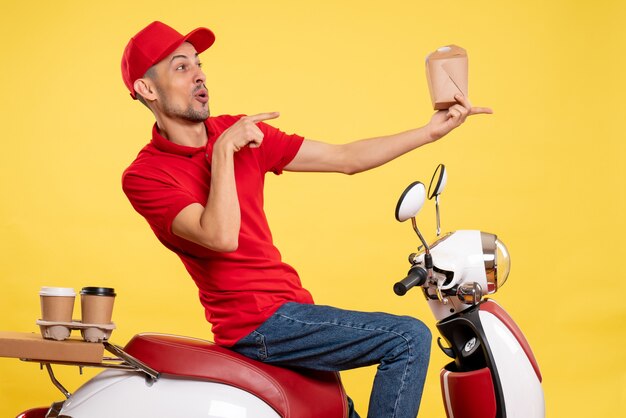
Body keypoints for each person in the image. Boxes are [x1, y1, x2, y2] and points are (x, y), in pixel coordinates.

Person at [120, 21, 492, 418]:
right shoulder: (147, 176)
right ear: (146, 89)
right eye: (181, 67)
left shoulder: (238, 131)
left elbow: (345, 158)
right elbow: (220, 236)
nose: (200, 74)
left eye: (199, 63)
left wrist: (430, 133)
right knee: (408, 338)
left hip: (293, 312)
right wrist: (224, 152)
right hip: (256, 325)